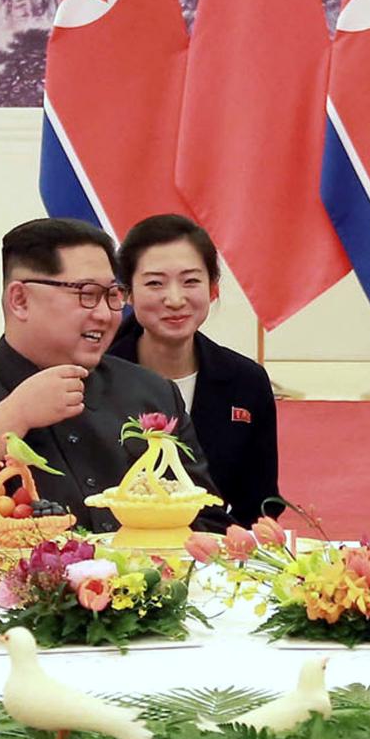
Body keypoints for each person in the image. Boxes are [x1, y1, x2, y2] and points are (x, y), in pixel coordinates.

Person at [0, 218, 217, 543]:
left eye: (112, 295)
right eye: (86, 293)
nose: (104, 314)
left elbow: (206, 517)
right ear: (20, 300)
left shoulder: (151, 392)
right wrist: (14, 416)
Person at [107, 213, 278, 526]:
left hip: (215, 557)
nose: (175, 299)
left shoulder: (246, 382)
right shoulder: (96, 378)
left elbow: (260, 503)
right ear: (126, 292)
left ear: (213, 288)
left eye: (191, 281)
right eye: (155, 283)